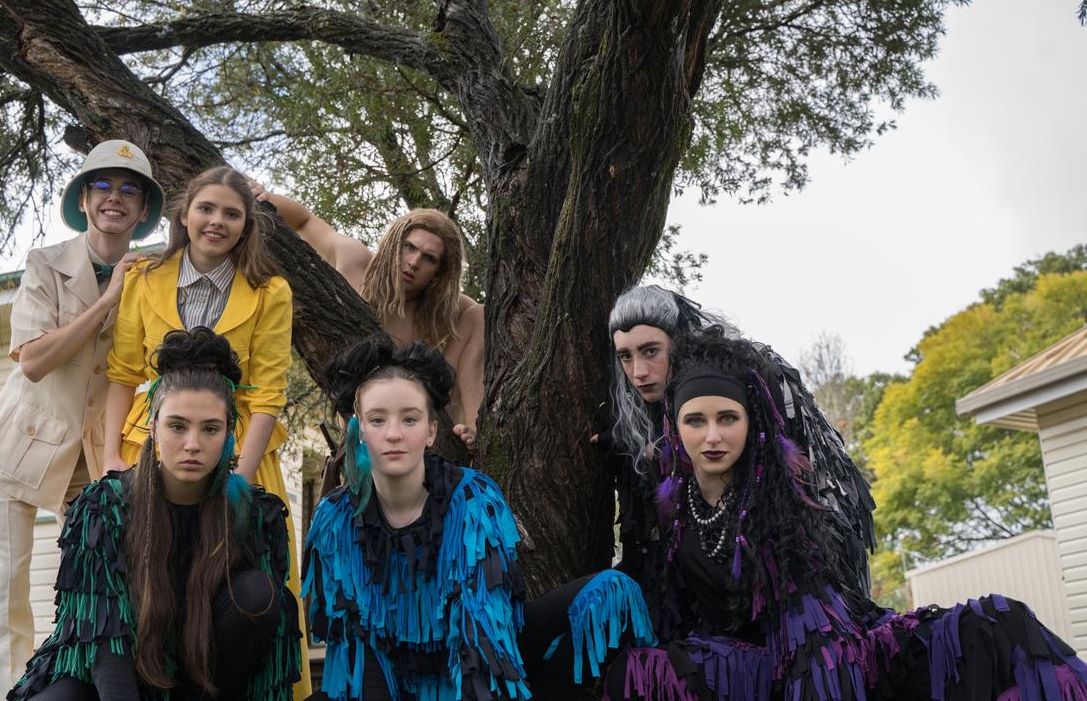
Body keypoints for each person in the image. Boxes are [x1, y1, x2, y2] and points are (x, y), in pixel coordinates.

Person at [604, 328, 1087, 700]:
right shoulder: (669, 510)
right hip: (732, 669)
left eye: (727, 419)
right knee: (636, 672)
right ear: (677, 426)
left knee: (996, 625)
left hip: (821, 664)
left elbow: (816, 645)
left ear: (752, 425)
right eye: (697, 421)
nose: (712, 436)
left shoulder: (779, 505)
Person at [304, 335, 656, 700]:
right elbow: (358, 648)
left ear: (431, 431)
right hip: (393, 685)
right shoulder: (335, 519)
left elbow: (481, 640)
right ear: (359, 430)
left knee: (613, 593)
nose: (394, 434)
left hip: (477, 672)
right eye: (377, 420)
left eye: (410, 419)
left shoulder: (470, 500)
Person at [102, 166, 311, 699]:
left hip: (241, 457)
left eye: (231, 214)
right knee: (145, 582)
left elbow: (267, 393)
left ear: (246, 226)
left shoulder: (270, 292)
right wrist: (110, 459)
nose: (217, 221)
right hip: (147, 450)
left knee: (241, 586)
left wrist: (235, 480)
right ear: (185, 214)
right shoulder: (145, 278)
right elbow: (124, 373)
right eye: (207, 209)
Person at [9, 328, 301, 701]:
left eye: (210, 428)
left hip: (206, 685)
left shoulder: (255, 515)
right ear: (153, 426)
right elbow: (104, 645)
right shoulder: (105, 508)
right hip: (107, 680)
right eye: (177, 426)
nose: (192, 444)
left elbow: (263, 648)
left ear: (230, 434)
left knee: (256, 592)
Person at [0, 139, 163, 701]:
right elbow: (32, 361)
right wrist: (107, 302)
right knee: (8, 586)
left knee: (89, 581)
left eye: (130, 189)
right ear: (84, 197)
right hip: (20, 445)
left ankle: (63, 690)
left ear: (143, 209)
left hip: (98, 456)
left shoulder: (151, 276)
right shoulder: (45, 264)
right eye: (102, 185)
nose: (115, 198)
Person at [603, 284, 876, 622]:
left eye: (650, 351)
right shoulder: (640, 425)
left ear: (678, 342)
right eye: (625, 357)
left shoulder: (751, 386)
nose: (638, 372)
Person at [250, 184, 484, 448]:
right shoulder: (356, 262)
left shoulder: (436, 310)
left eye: (428, 258)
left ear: (439, 273)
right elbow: (304, 221)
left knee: (479, 314)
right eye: (409, 247)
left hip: (419, 410)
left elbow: (479, 321)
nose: (414, 261)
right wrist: (265, 198)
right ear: (395, 243)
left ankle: (476, 432)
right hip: (359, 421)